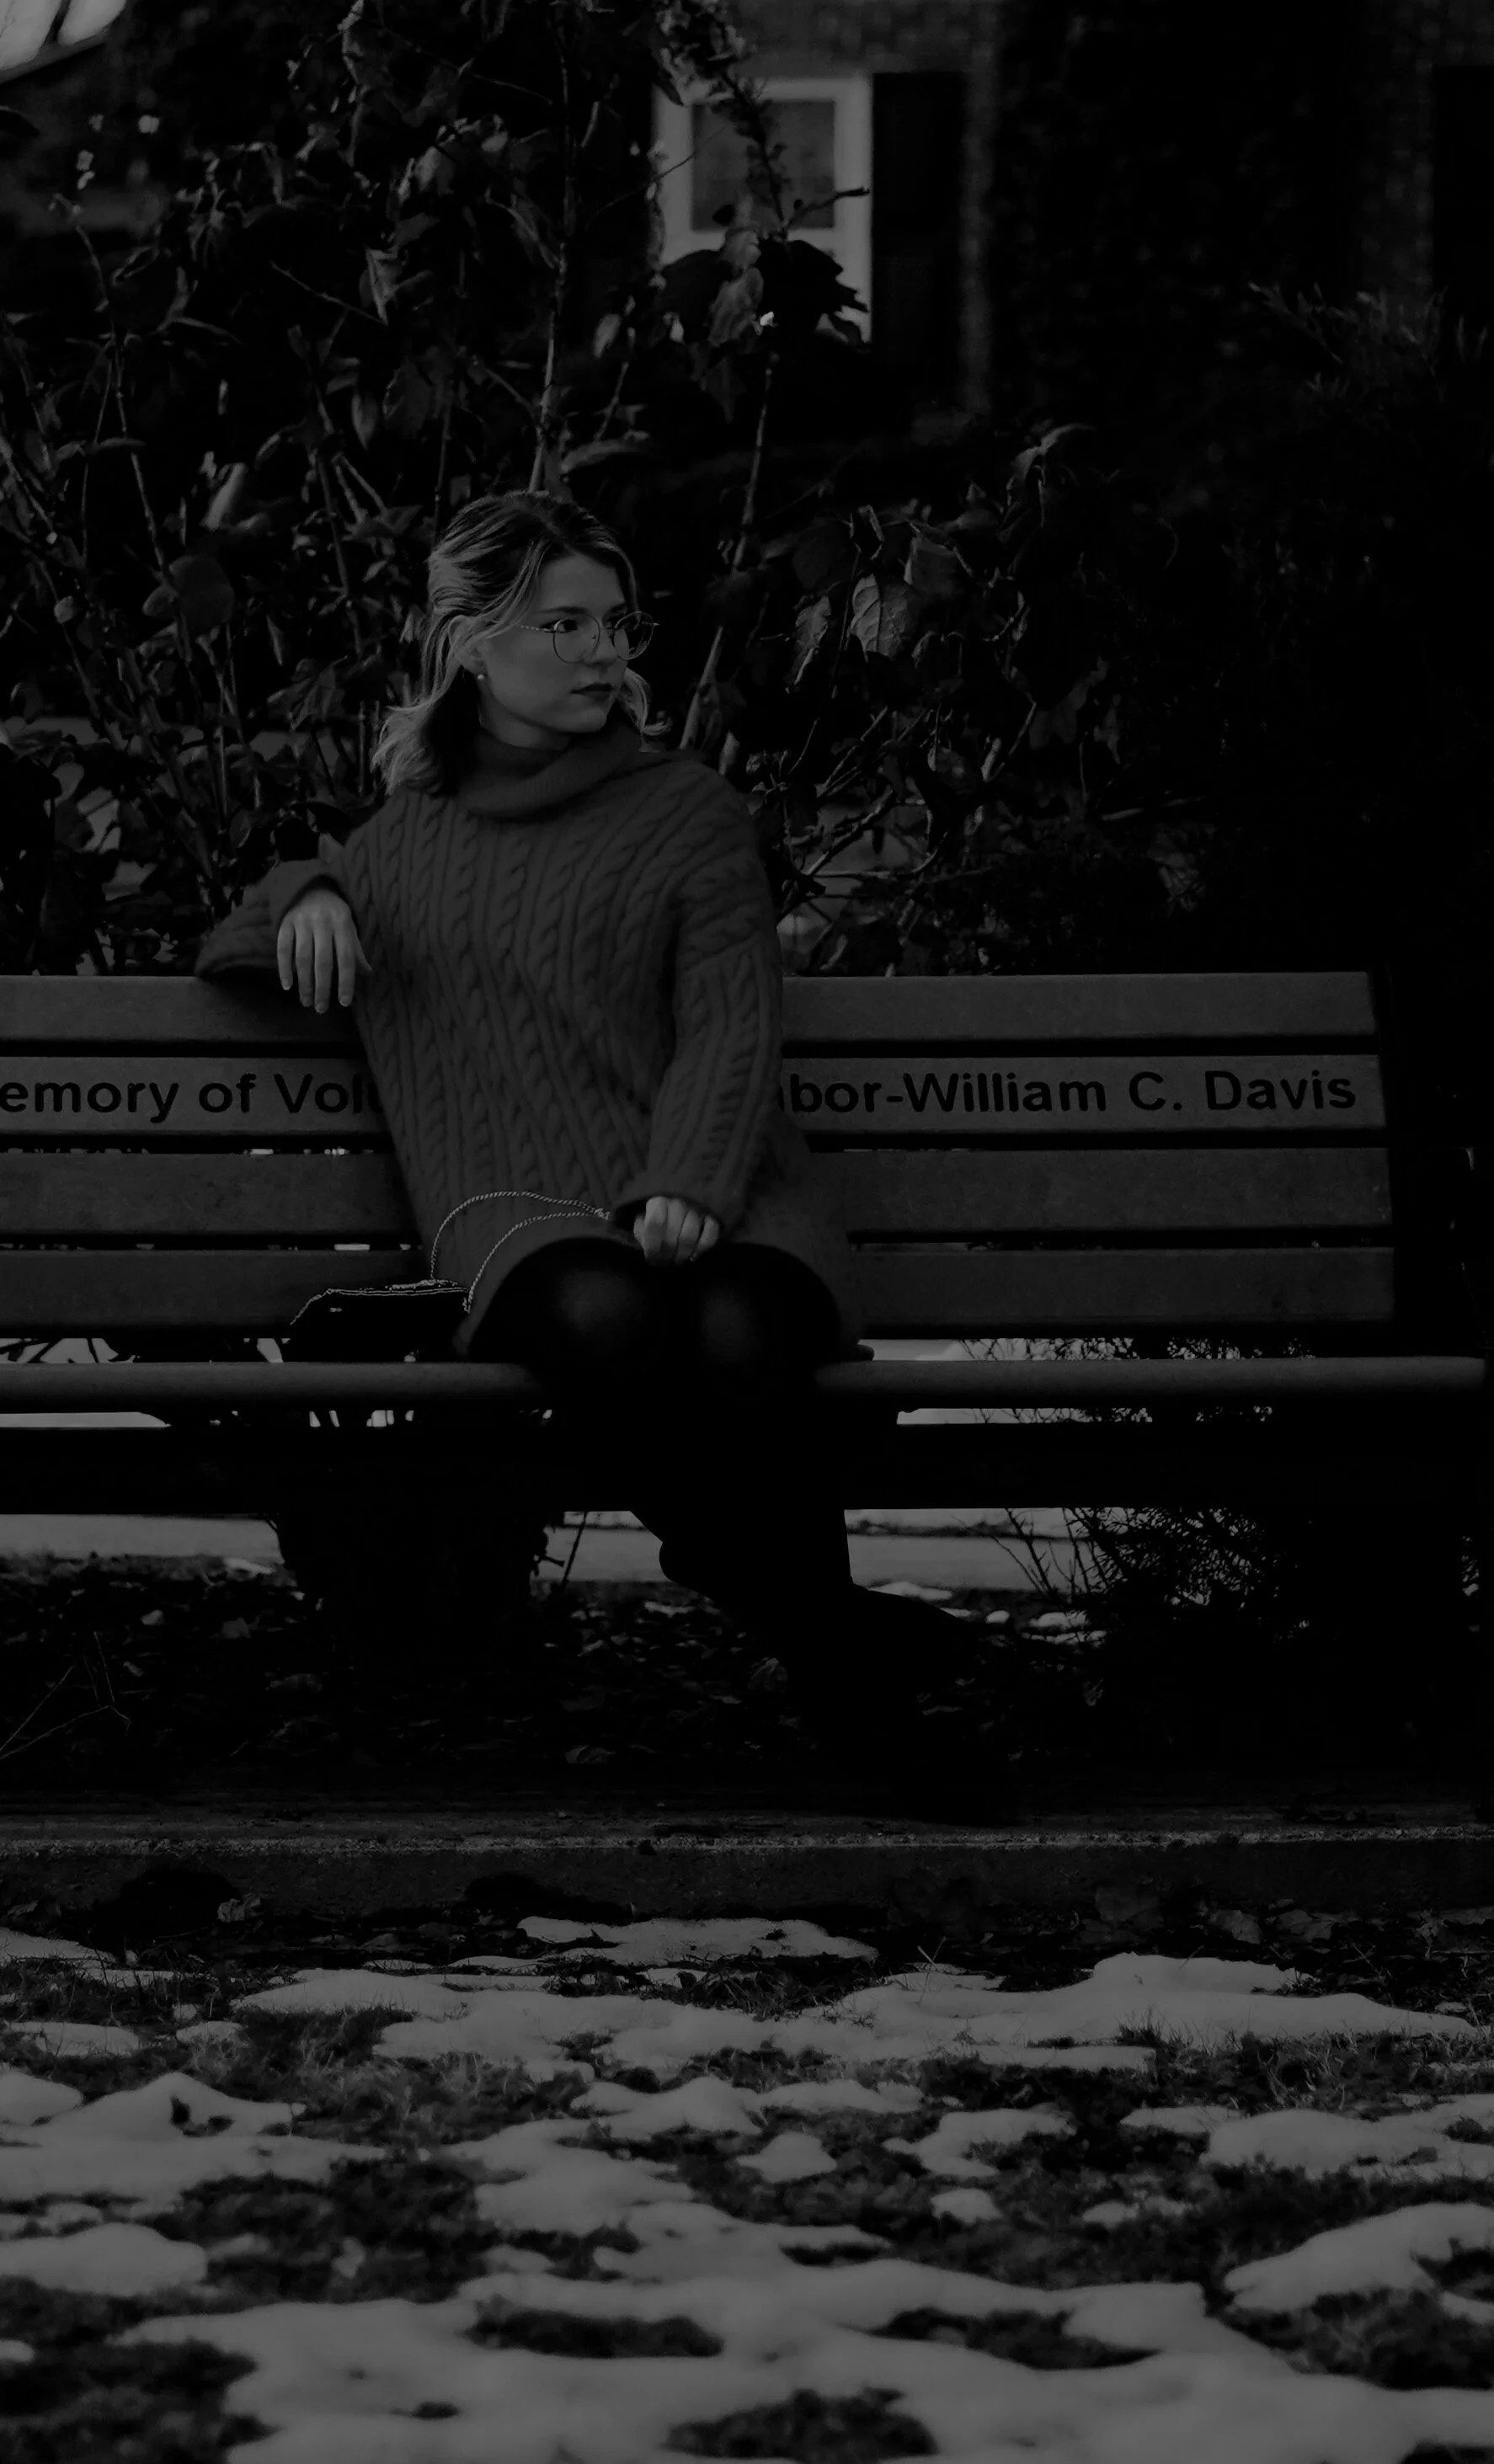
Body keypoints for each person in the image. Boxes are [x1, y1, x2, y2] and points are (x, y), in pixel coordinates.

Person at [192, 489, 995, 1800]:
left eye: (613, 624)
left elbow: (731, 1023)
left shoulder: (685, 812)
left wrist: (689, 1184)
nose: (600, 651)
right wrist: (305, 892)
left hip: (723, 1186)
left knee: (734, 1329)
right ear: (469, 642)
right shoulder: (396, 851)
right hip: (516, 1209)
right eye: (561, 624)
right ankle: (838, 1649)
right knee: (608, 1317)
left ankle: (802, 1638)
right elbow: (229, 943)